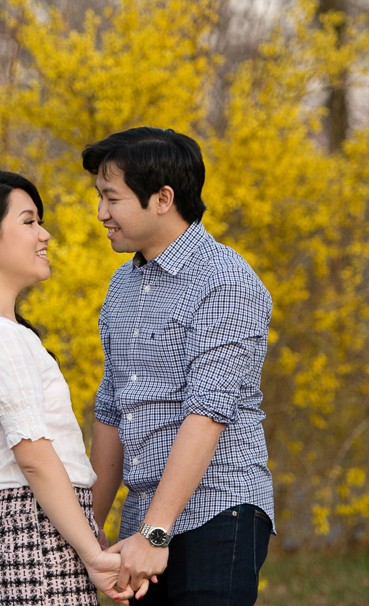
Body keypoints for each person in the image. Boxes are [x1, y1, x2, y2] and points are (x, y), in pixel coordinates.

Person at [0, 170, 145, 606]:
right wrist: (92, 553)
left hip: (32, 531)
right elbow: (36, 458)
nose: (44, 234)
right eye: (28, 222)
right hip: (36, 535)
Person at [83, 128, 275, 605]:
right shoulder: (122, 287)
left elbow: (206, 413)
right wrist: (88, 533)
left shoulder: (226, 281)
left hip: (217, 512)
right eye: (100, 198)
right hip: (145, 521)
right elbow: (111, 411)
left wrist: (156, 534)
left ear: (163, 198)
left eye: (112, 198)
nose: (102, 213)